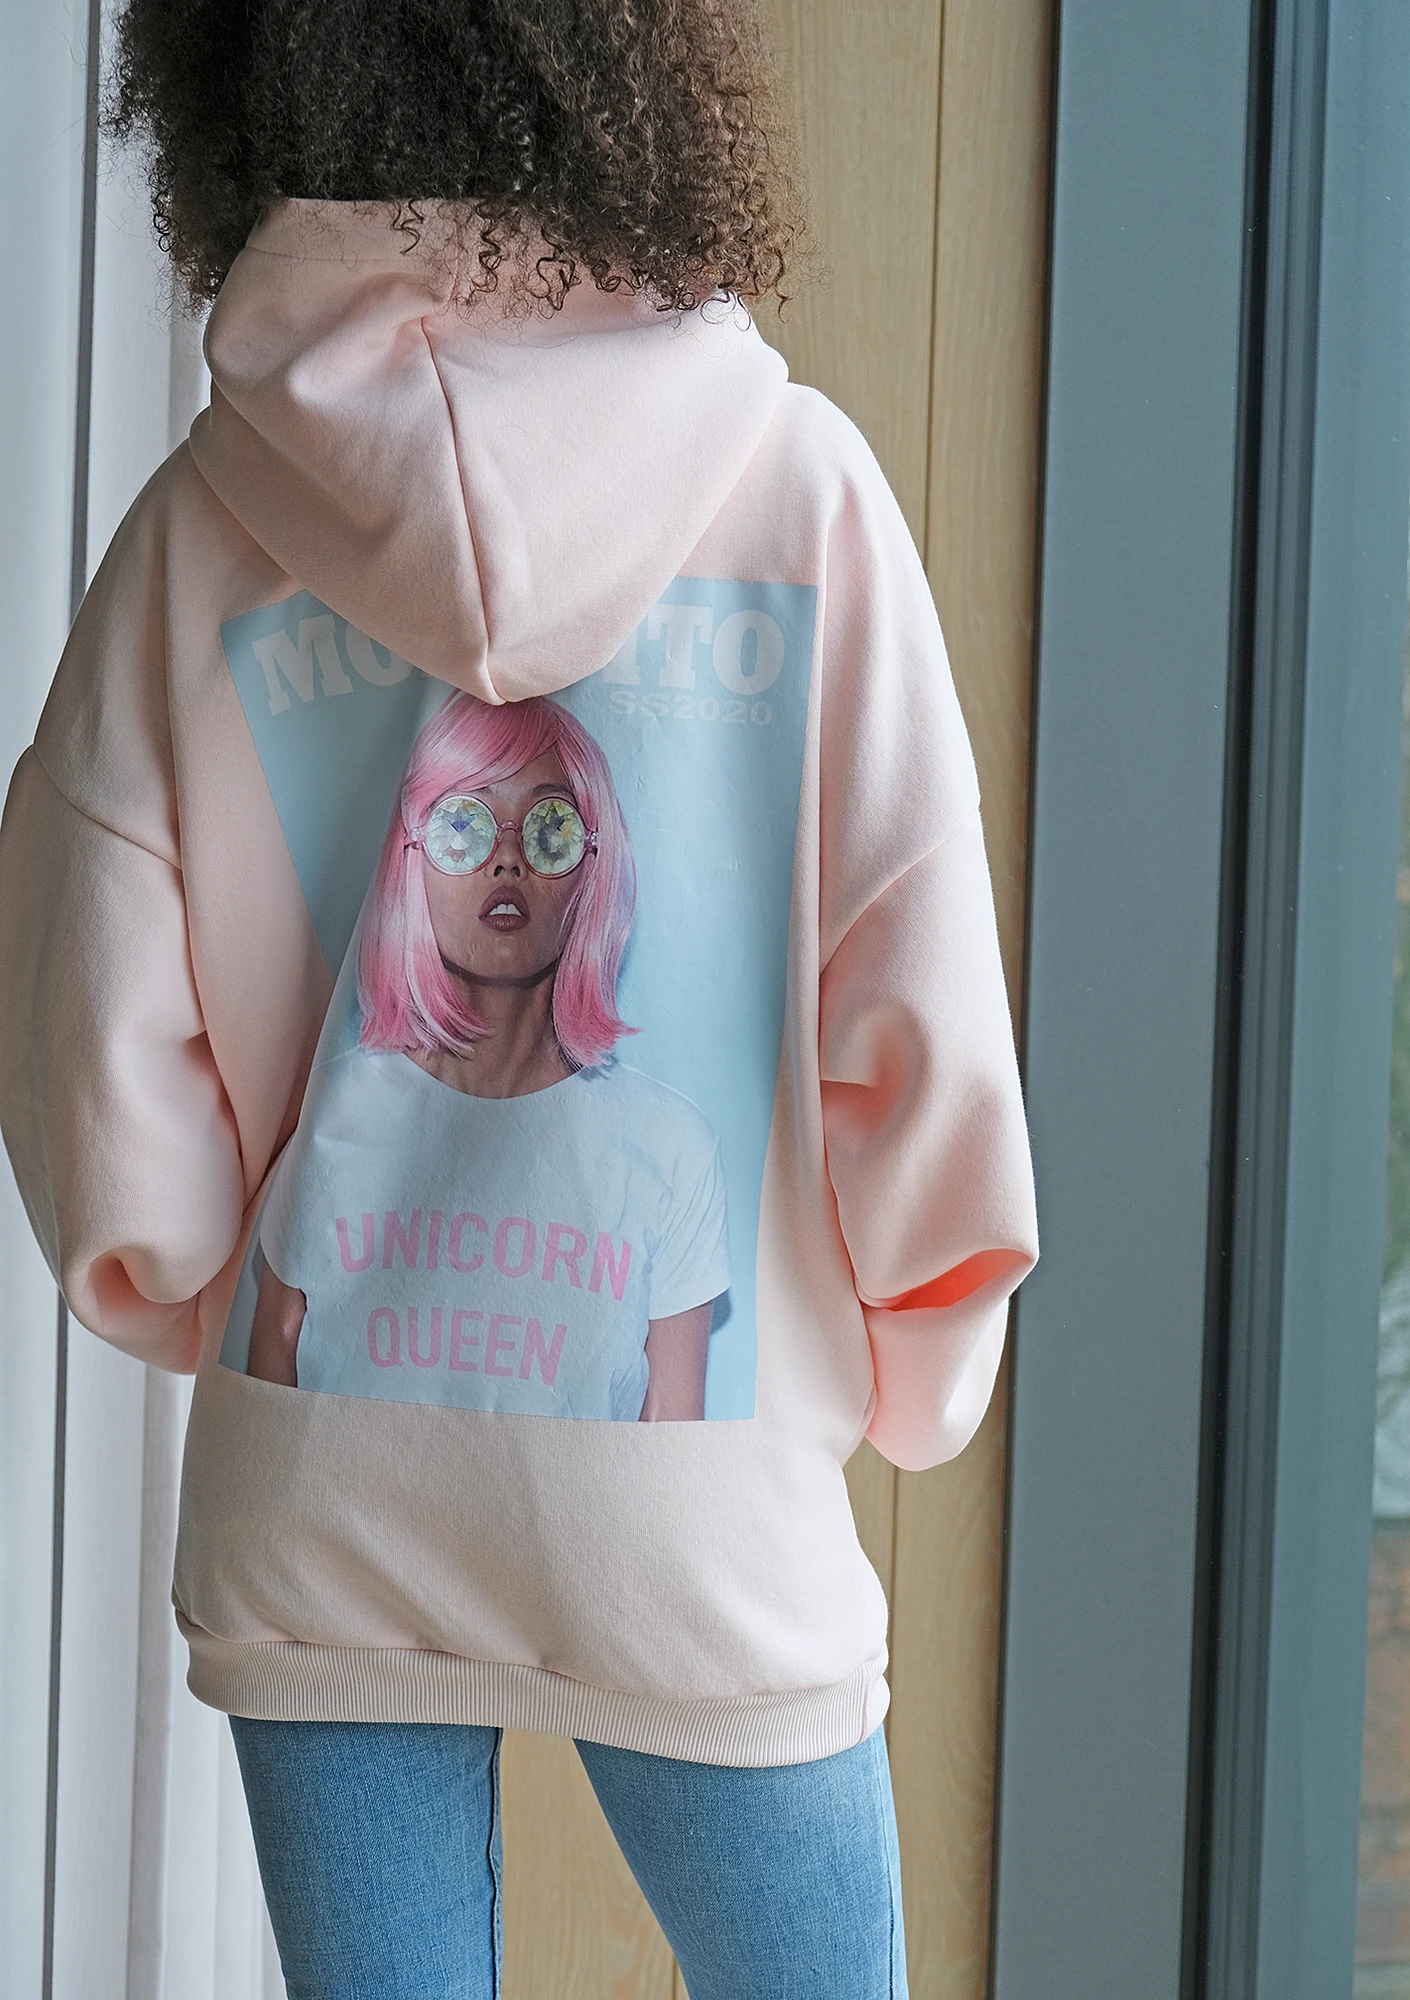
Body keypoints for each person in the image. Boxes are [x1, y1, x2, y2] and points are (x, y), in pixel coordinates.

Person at [0, 3, 1039, 1995]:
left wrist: (186, 1278)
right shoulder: (799, 487)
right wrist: (925, 1342)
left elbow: (92, 1004)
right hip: (703, 1509)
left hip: (319, 1484)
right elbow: (909, 979)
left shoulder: (200, 524)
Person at [246, 689, 729, 1422]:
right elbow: (265, 1407)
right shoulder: (330, 1110)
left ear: (594, 865)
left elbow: (670, 1454)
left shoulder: (671, 1146)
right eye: (462, 824)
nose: (506, 860)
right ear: (410, 857)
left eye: (549, 828)